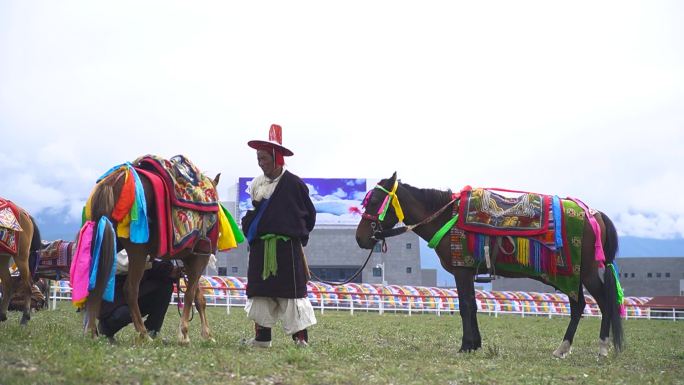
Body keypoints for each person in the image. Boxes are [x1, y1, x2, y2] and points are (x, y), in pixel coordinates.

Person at [241, 123, 317, 347]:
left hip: (286, 250)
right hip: (260, 250)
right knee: (260, 293)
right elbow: (254, 213)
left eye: (264, 158)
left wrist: (295, 234)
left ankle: (300, 339)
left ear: (277, 158)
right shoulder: (256, 185)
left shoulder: (294, 185)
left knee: (292, 295)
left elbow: (309, 216)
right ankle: (262, 338)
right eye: (258, 159)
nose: (260, 163)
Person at [97, 250, 179, 342]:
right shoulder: (120, 245)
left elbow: (156, 269)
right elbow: (128, 263)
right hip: (115, 299)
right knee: (124, 314)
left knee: (165, 287)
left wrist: (174, 270)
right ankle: (105, 330)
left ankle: (151, 331)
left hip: (136, 295)